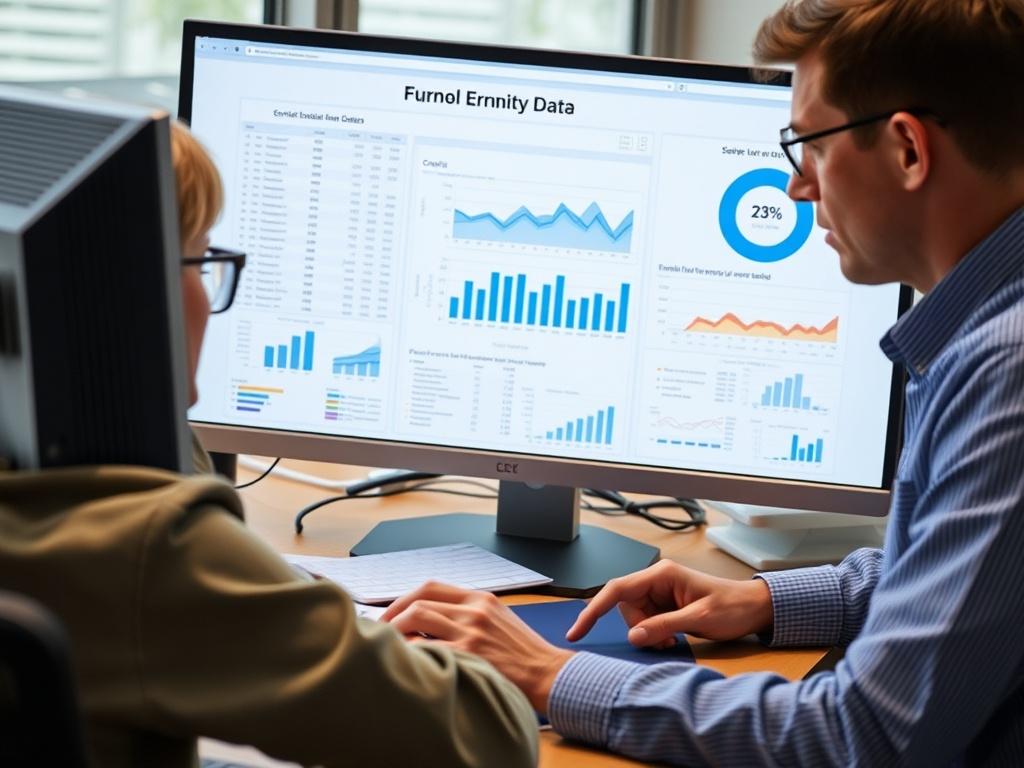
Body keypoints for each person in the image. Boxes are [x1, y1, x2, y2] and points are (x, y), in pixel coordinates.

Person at [382, 1, 1024, 764]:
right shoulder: (989, 330)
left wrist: (548, 674)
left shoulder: (1005, 374)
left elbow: (866, 738)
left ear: (908, 149)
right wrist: (766, 599)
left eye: (811, 146)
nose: (798, 189)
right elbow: (965, 577)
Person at [0, 121, 538, 767]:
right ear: (130, 295)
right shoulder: (143, 548)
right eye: (201, 259)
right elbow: (487, 737)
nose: (207, 296)